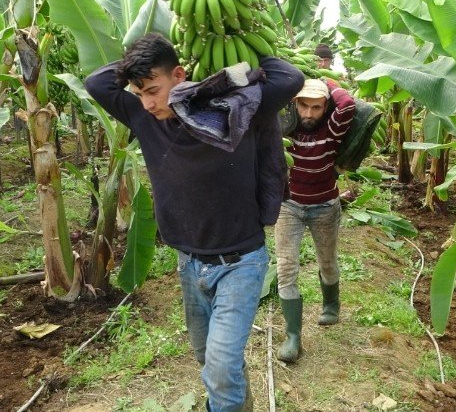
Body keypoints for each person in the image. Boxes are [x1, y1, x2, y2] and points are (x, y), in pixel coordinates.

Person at [85, 33, 303, 411]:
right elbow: (96, 82)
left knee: (218, 367)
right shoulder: (143, 115)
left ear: (180, 74)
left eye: (154, 89)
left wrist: (235, 39)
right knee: (211, 361)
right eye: (140, 94)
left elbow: (289, 78)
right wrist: (139, 65)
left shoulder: (235, 109)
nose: (149, 103)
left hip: (241, 262)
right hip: (189, 263)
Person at [275, 78, 355, 362]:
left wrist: (323, 80)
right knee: (286, 268)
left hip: (325, 205)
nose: (309, 114)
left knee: (328, 262)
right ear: (294, 104)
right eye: (303, 105)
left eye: (316, 107)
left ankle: (331, 305)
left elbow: (347, 104)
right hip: (289, 207)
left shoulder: (332, 128)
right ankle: (293, 336)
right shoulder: (283, 129)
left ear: (325, 107)